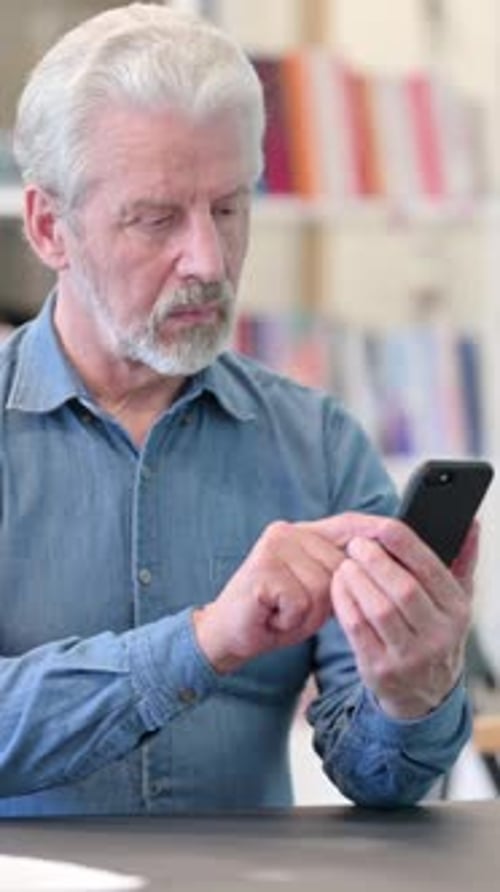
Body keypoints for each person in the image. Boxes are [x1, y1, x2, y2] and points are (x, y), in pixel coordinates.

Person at [0, 2, 476, 816]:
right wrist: (206, 641)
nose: (210, 260)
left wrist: (412, 693)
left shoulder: (318, 443)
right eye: (156, 219)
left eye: (229, 207)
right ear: (49, 227)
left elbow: (381, 779)